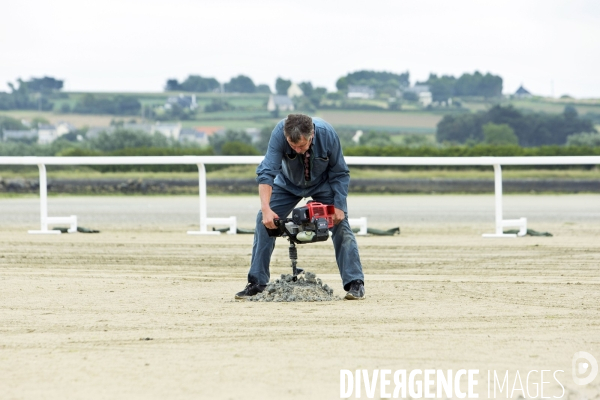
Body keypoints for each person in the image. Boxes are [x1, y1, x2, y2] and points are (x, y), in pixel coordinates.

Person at [235, 114, 365, 300]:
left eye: (301, 146)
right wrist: (266, 208)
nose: (297, 150)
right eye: (292, 146)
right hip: (286, 184)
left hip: (322, 184)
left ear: (311, 135)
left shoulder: (327, 134)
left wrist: (339, 206)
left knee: (340, 224)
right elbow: (267, 171)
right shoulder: (279, 134)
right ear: (286, 136)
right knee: (262, 220)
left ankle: (355, 283)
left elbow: (340, 172)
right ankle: (257, 283)